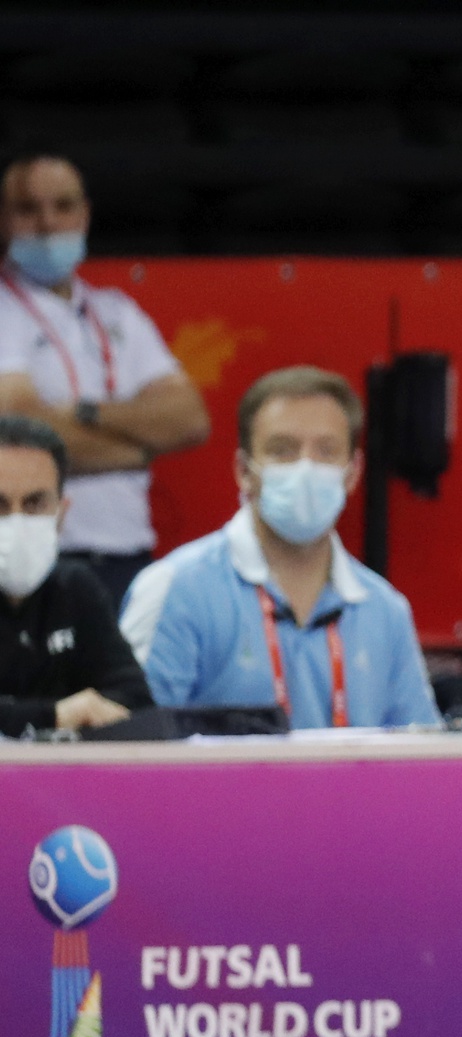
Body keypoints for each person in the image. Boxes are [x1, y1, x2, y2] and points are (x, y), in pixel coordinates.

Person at [121, 366, 439, 729]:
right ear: (244, 471)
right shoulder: (174, 589)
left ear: (352, 474)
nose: (306, 467)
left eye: (326, 450)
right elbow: (133, 748)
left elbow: (420, 755)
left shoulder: (385, 611)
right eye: (283, 450)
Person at [0, 156, 210, 607]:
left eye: (62, 205)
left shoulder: (117, 312)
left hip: (128, 556)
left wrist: (80, 413)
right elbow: (22, 436)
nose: (47, 222)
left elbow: (190, 419)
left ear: (84, 214)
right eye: (27, 208)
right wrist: (139, 451)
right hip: (32, 558)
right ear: (4, 218)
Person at [0, 414, 151, 736]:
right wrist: (54, 715)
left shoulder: (74, 588)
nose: (16, 521)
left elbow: (135, 702)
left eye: (34, 503)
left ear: (61, 513)